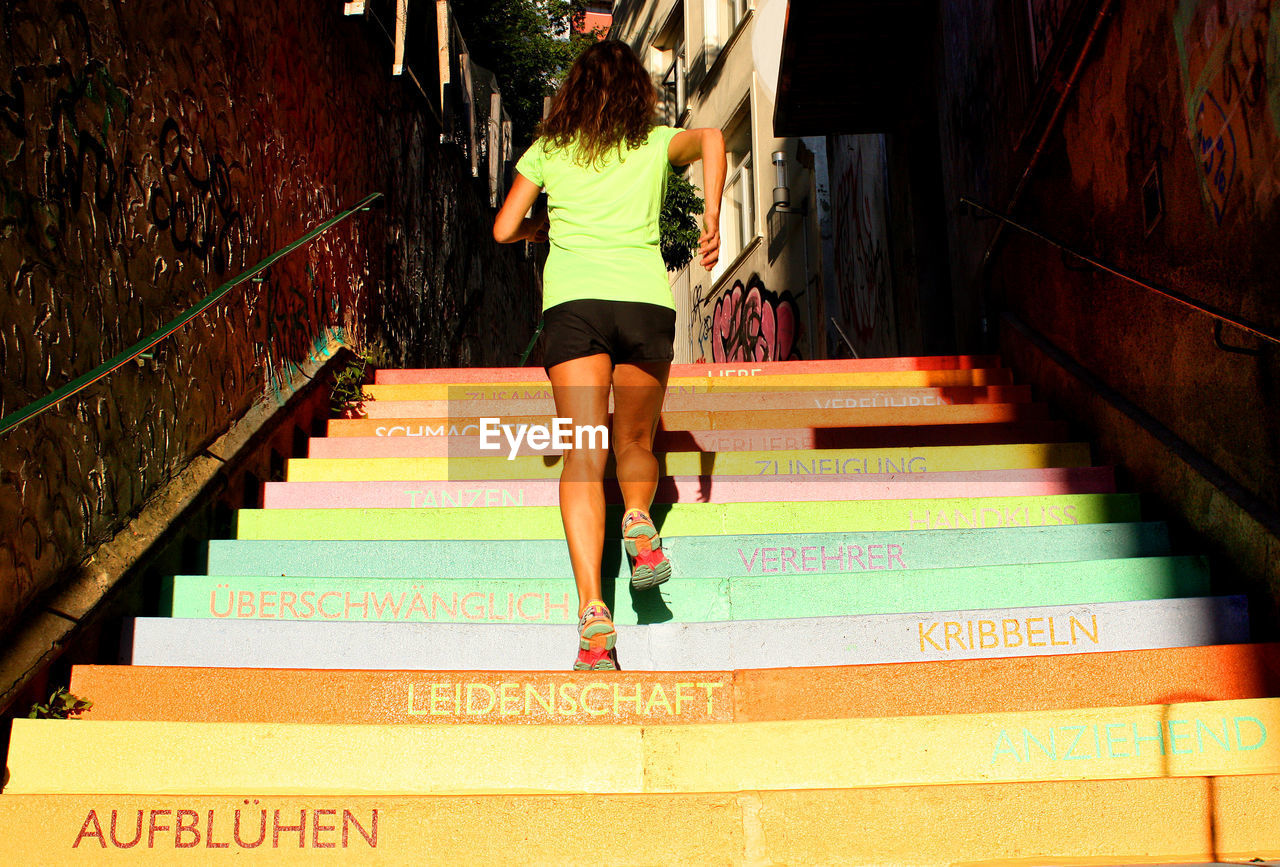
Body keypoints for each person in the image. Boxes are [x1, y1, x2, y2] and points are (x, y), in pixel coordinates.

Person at [493, 40, 725, 671]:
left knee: (583, 453)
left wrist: (550, 227)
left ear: (573, 92)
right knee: (634, 443)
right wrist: (711, 215)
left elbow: (503, 228)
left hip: (574, 308)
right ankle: (639, 516)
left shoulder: (549, 151)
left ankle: (595, 610)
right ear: (636, 93)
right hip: (644, 303)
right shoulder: (653, 143)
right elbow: (711, 137)